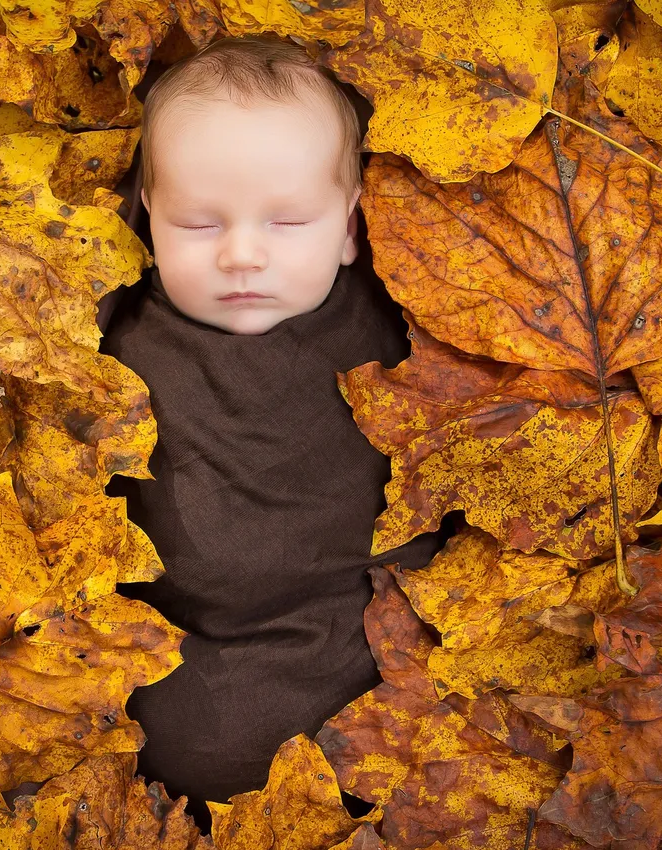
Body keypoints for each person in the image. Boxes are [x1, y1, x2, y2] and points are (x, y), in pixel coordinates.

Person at [98, 33, 455, 832]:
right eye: (196, 224)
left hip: (363, 617)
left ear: (353, 226)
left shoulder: (396, 319)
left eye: (290, 221)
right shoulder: (118, 342)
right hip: (209, 638)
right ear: (147, 222)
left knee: (439, 703)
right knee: (187, 743)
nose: (243, 254)